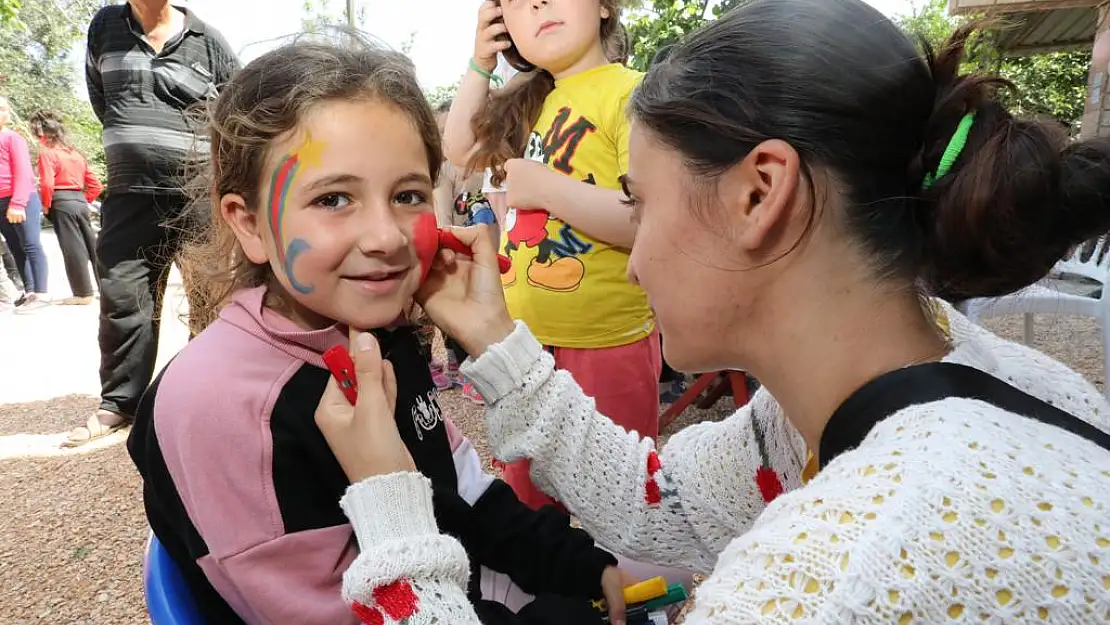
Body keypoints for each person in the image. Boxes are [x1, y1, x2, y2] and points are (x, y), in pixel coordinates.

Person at [314, 1, 1110, 622]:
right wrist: (493, 336)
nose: (636, 254)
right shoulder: (951, 379)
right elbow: (661, 499)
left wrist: (393, 505)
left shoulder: (828, 579)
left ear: (759, 194)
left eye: (640, 202)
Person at [126, 39, 636, 625]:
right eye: (335, 198)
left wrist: (580, 566)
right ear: (249, 225)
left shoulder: (376, 332)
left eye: (408, 196)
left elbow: (461, 491)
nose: (387, 236)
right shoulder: (219, 407)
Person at [443, 0, 660, 510]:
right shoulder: (526, 104)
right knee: (531, 501)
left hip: (609, 343)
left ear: (606, 6)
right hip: (523, 348)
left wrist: (545, 188)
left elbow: (652, 220)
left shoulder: (634, 94)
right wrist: (480, 61)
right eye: (515, 2)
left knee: (624, 499)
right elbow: (457, 149)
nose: (536, 3)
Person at [66, 0, 239, 446]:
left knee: (210, 294)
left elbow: (240, 111)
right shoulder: (104, 27)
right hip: (129, 192)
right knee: (123, 294)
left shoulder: (209, 41)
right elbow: (102, 100)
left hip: (197, 194)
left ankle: (208, 393)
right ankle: (119, 403)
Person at [432, 99, 495, 399]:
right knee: (459, 306)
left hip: (488, 248)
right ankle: (465, 366)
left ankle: (471, 364)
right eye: (444, 131)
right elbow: (443, 213)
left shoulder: (489, 164)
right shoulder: (444, 172)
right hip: (459, 247)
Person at [30, 110, 103, 306]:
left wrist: (46, 205)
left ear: (45, 136)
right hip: (80, 201)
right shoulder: (76, 155)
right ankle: (106, 288)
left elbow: (46, 184)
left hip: (61, 201)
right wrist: (82, 200)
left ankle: (82, 293)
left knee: (72, 248)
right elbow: (96, 185)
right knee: (92, 245)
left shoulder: (48, 154)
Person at [0, 95, 51, 314]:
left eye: (3, 108)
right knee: (14, 247)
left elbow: (23, 172)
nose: (3, 112)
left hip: (20, 198)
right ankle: (29, 292)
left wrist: (18, 203)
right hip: (1, 201)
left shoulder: (12, 138)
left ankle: (41, 292)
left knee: (30, 244)